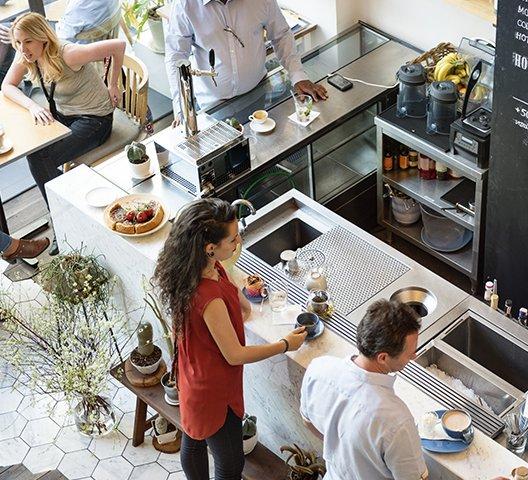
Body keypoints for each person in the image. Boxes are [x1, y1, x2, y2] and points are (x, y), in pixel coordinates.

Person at [152, 198, 307, 480]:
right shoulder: (207, 297)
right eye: (233, 239)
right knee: (230, 463)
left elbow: (243, 309)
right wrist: (285, 344)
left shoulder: (200, 269)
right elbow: (234, 354)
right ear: (210, 248)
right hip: (213, 390)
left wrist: (238, 288)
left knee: (194, 437)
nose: (238, 243)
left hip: (194, 374)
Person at [2, 13, 124, 222]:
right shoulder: (26, 55)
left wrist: (114, 84)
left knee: (41, 158)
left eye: (28, 41)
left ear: (43, 38)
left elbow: (118, 45)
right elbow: (7, 86)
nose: (23, 49)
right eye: (19, 42)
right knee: (35, 151)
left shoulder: (69, 54)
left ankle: (64, 216)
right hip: (66, 115)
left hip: (95, 119)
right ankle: (72, 207)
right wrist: (32, 106)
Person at [300, 299, 429, 480]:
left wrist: (344, 450)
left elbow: (307, 421)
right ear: (383, 358)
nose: (414, 356)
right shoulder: (397, 421)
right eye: (410, 352)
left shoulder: (318, 369)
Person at [164, 0, 328, 124]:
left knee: (265, 153)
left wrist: (298, 75)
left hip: (258, 93)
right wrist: (181, 110)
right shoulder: (184, 4)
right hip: (212, 107)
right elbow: (176, 57)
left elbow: (281, 34)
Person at [0, 0, 121, 45]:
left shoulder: (79, 7)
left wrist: (20, 38)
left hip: (71, 46)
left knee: (5, 30)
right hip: (89, 31)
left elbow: (56, 41)